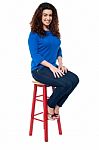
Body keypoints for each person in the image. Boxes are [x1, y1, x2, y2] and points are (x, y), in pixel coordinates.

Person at [28, 2, 79, 120]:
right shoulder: (34, 34)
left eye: (50, 15)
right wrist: (51, 67)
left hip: (53, 67)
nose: (48, 18)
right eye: (45, 15)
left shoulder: (54, 32)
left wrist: (60, 64)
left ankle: (57, 104)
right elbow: (35, 56)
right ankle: (50, 105)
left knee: (74, 79)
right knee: (65, 83)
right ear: (39, 16)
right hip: (39, 69)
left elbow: (58, 49)